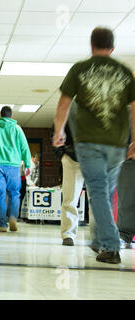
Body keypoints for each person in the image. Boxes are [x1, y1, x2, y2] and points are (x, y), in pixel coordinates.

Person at [53, 27, 135, 264]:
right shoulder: (125, 72)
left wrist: (59, 131)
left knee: (98, 192)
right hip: (117, 145)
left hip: (89, 143)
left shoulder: (80, 69)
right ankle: (100, 240)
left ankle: (110, 246)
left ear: (91, 45)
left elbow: (63, 104)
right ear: (112, 48)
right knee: (105, 193)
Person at [0, 106, 31, 232]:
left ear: (0, 115)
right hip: (14, 166)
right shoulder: (17, 129)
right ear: (11, 116)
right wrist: (28, 165)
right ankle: (13, 217)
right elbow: (25, 147)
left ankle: (2, 224)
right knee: (14, 194)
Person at [52, 101, 88, 246]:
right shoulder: (67, 110)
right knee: (70, 199)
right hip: (72, 159)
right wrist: (62, 155)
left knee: (98, 201)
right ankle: (68, 234)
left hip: (95, 160)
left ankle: (100, 238)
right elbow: (54, 133)